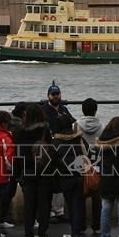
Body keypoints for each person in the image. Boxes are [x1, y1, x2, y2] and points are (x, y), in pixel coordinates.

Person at [13, 103, 54, 237]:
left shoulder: (19, 131)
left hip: (27, 169)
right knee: (44, 201)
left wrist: (18, 172)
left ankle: (29, 233)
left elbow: (17, 153)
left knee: (29, 202)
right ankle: (42, 233)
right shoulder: (45, 130)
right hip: (43, 169)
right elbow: (50, 149)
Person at [42, 83, 75, 222]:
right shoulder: (44, 110)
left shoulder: (64, 109)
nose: (56, 96)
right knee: (50, 181)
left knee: (61, 180)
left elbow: (73, 123)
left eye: (57, 94)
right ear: (48, 96)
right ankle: (49, 211)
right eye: (53, 94)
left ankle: (59, 211)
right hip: (51, 146)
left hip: (64, 146)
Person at [52, 114, 87, 237]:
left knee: (71, 205)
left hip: (65, 177)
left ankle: (75, 233)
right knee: (78, 204)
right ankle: (79, 231)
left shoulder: (56, 141)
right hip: (79, 174)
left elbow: (53, 160)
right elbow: (87, 152)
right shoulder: (78, 138)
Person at [75, 98, 103, 234]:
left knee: (80, 197)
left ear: (82, 110)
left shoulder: (76, 125)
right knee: (97, 197)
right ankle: (97, 226)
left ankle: (81, 226)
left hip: (81, 164)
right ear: (95, 111)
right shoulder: (102, 126)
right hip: (96, 165)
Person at [2, 102, 27, 228]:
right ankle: (31, 219)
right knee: (27, 189)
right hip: (20, 161)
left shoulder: (9, 124)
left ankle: (2, 217)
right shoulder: (21, 127)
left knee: (9, 189)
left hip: (10, 161)